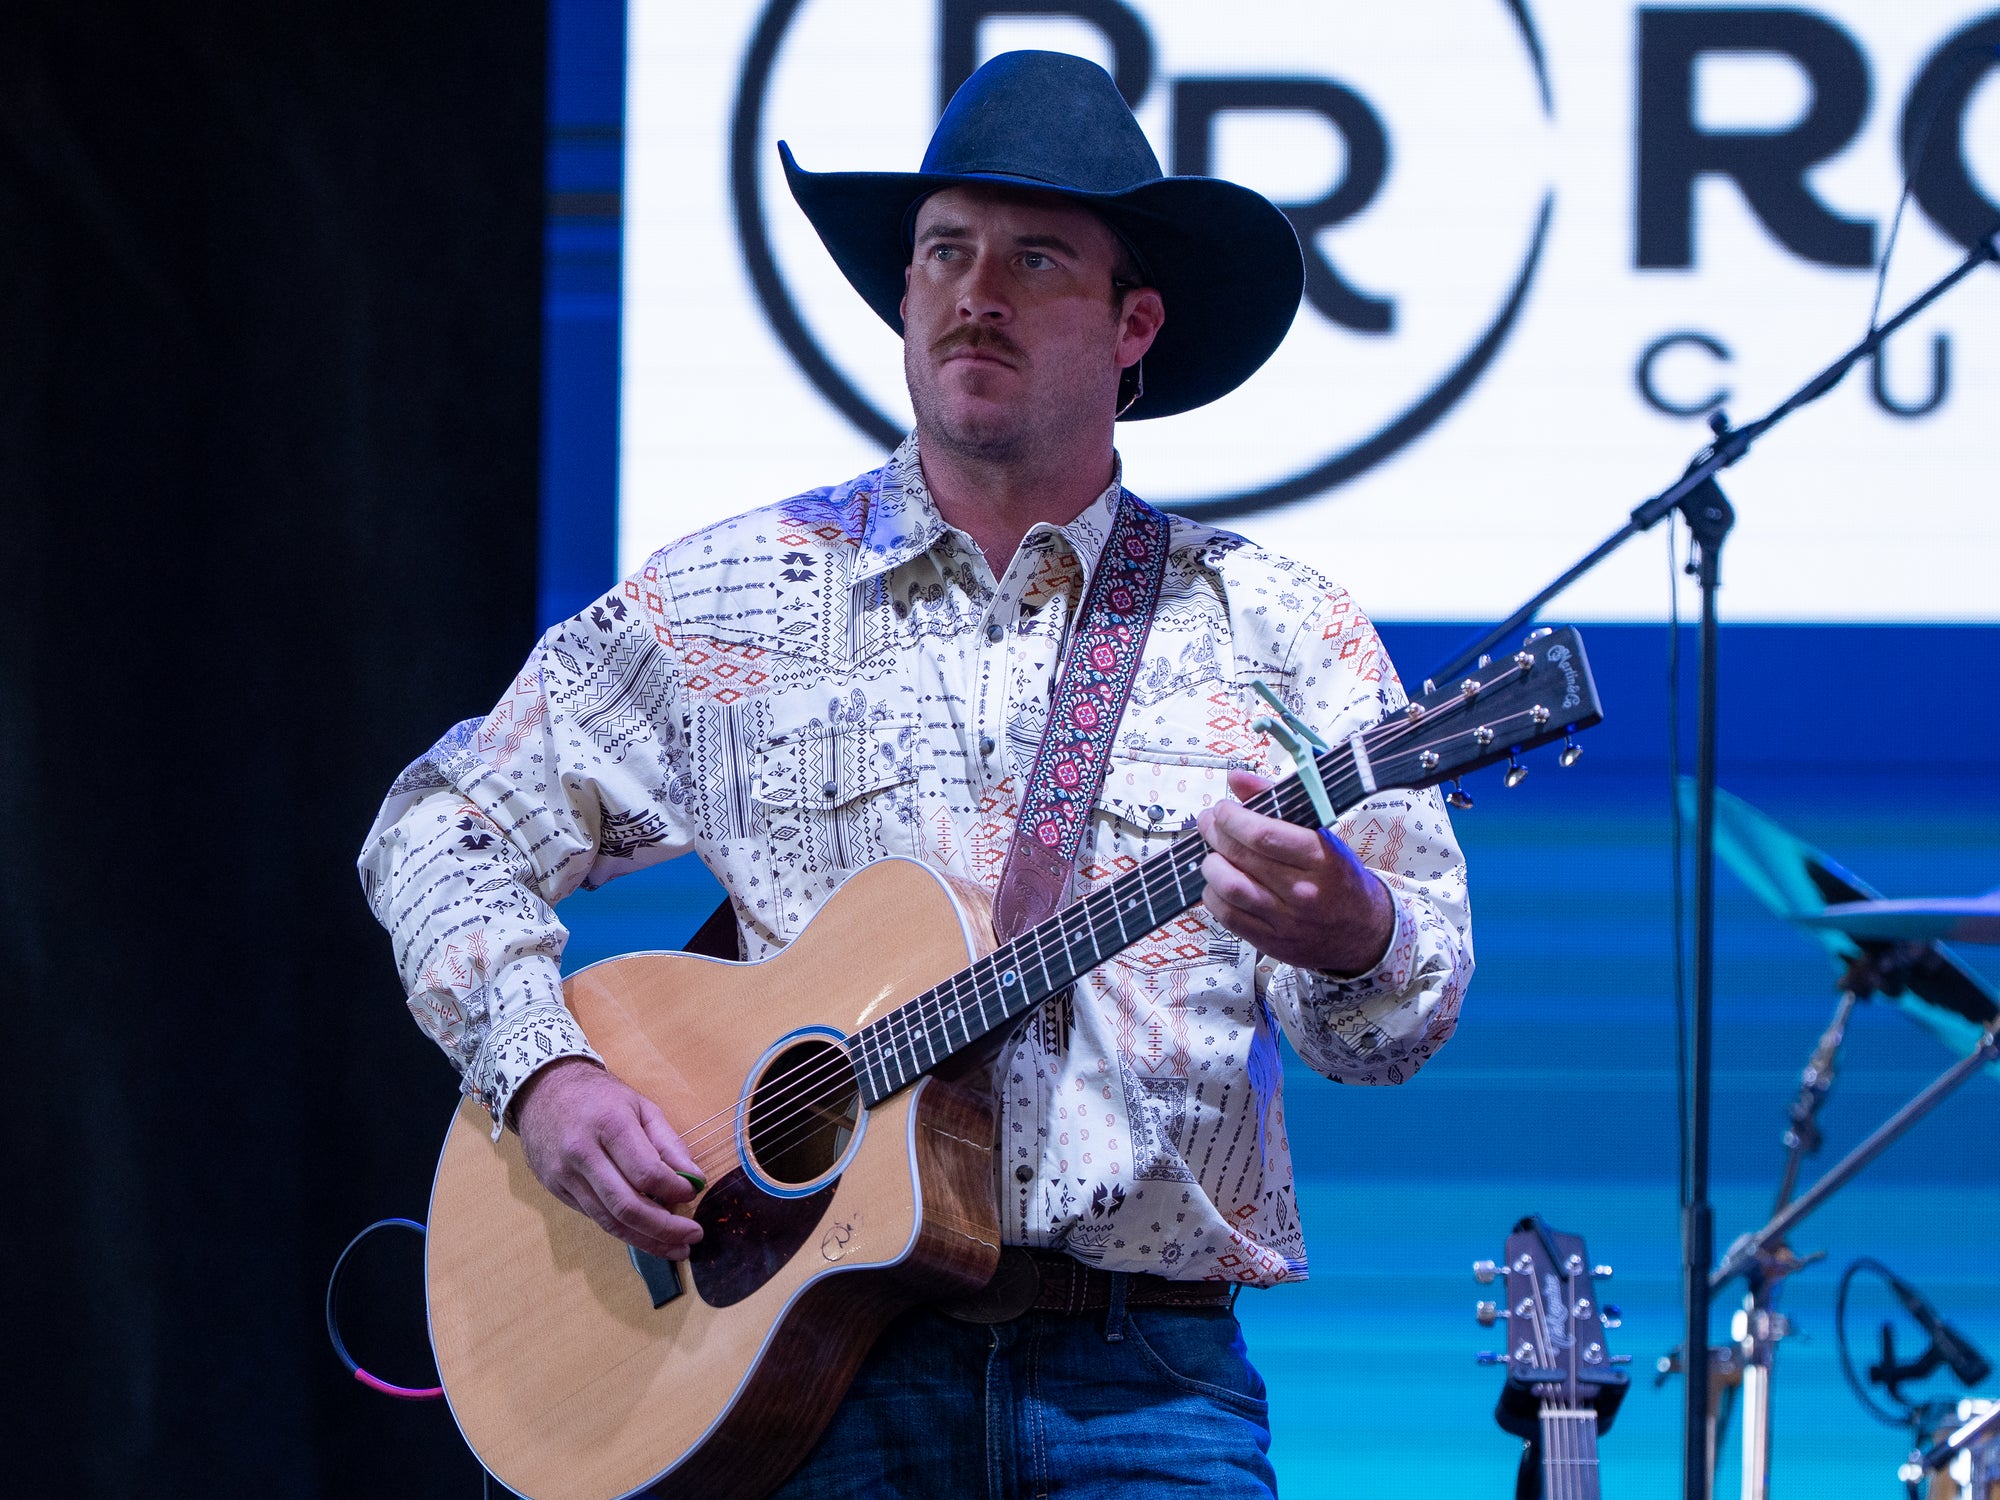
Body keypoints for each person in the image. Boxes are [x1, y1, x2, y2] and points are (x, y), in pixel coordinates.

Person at [360, 50, 1472, 1498]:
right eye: (943, 251)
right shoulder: (735, 599)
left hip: (1146, 1383)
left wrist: (1359, 936)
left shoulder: (1276, 627)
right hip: (801, 1372)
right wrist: (547, 1074)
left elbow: (1392, 1030)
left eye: (1035, 258)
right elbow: (438, 825)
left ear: (1135, 323)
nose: (974, 289)